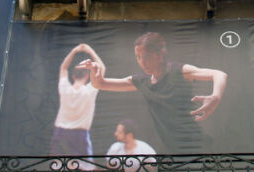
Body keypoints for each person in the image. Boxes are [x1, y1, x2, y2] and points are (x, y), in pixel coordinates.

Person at [78, 32, 227, 153]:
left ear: (160, 54)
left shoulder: (180, 71)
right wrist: (94, 69)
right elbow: (99, 83)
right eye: (138, 57)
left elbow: (219, 74)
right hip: (170, 151)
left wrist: (216, 97)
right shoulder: (142, 81)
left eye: (146, 57)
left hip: (197, 146)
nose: (142, 62)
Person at [49, 43, 104, 159]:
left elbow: (63, 68)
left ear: (73, 76)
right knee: (83, 167)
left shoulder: (64, 88)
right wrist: (90, 50)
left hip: (60, 133)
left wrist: (74, 51)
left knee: (57, 166)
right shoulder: (90, 90)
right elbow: (102, 69)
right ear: (87, 77)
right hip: (79, 134)